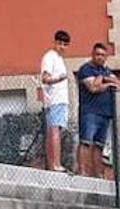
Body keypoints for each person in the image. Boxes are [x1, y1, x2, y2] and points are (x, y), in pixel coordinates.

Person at [75, 43, 120, 177]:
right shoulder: (86, 69)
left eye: (103, 55)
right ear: (93, 54)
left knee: (99, 145)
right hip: (90, 112)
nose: (100, 57)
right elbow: (93, 88)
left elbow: (117, 84)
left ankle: (97, 174)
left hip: (105, 113)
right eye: (98, 54)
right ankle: (83, 171)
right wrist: (106, 82)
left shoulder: (107, 70)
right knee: (86, 142)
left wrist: (103, 79)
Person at [39, 30, 71, 172]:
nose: (62, 46)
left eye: (65, 44)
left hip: (61, 100)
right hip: (54, 100)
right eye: (59, 43)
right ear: (54, 42)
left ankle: (53, 164)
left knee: (55, 131)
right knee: (54, 131)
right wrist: (59, 79)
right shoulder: (50, 57)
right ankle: (55, 164)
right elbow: (45, 78)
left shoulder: (59, 59)